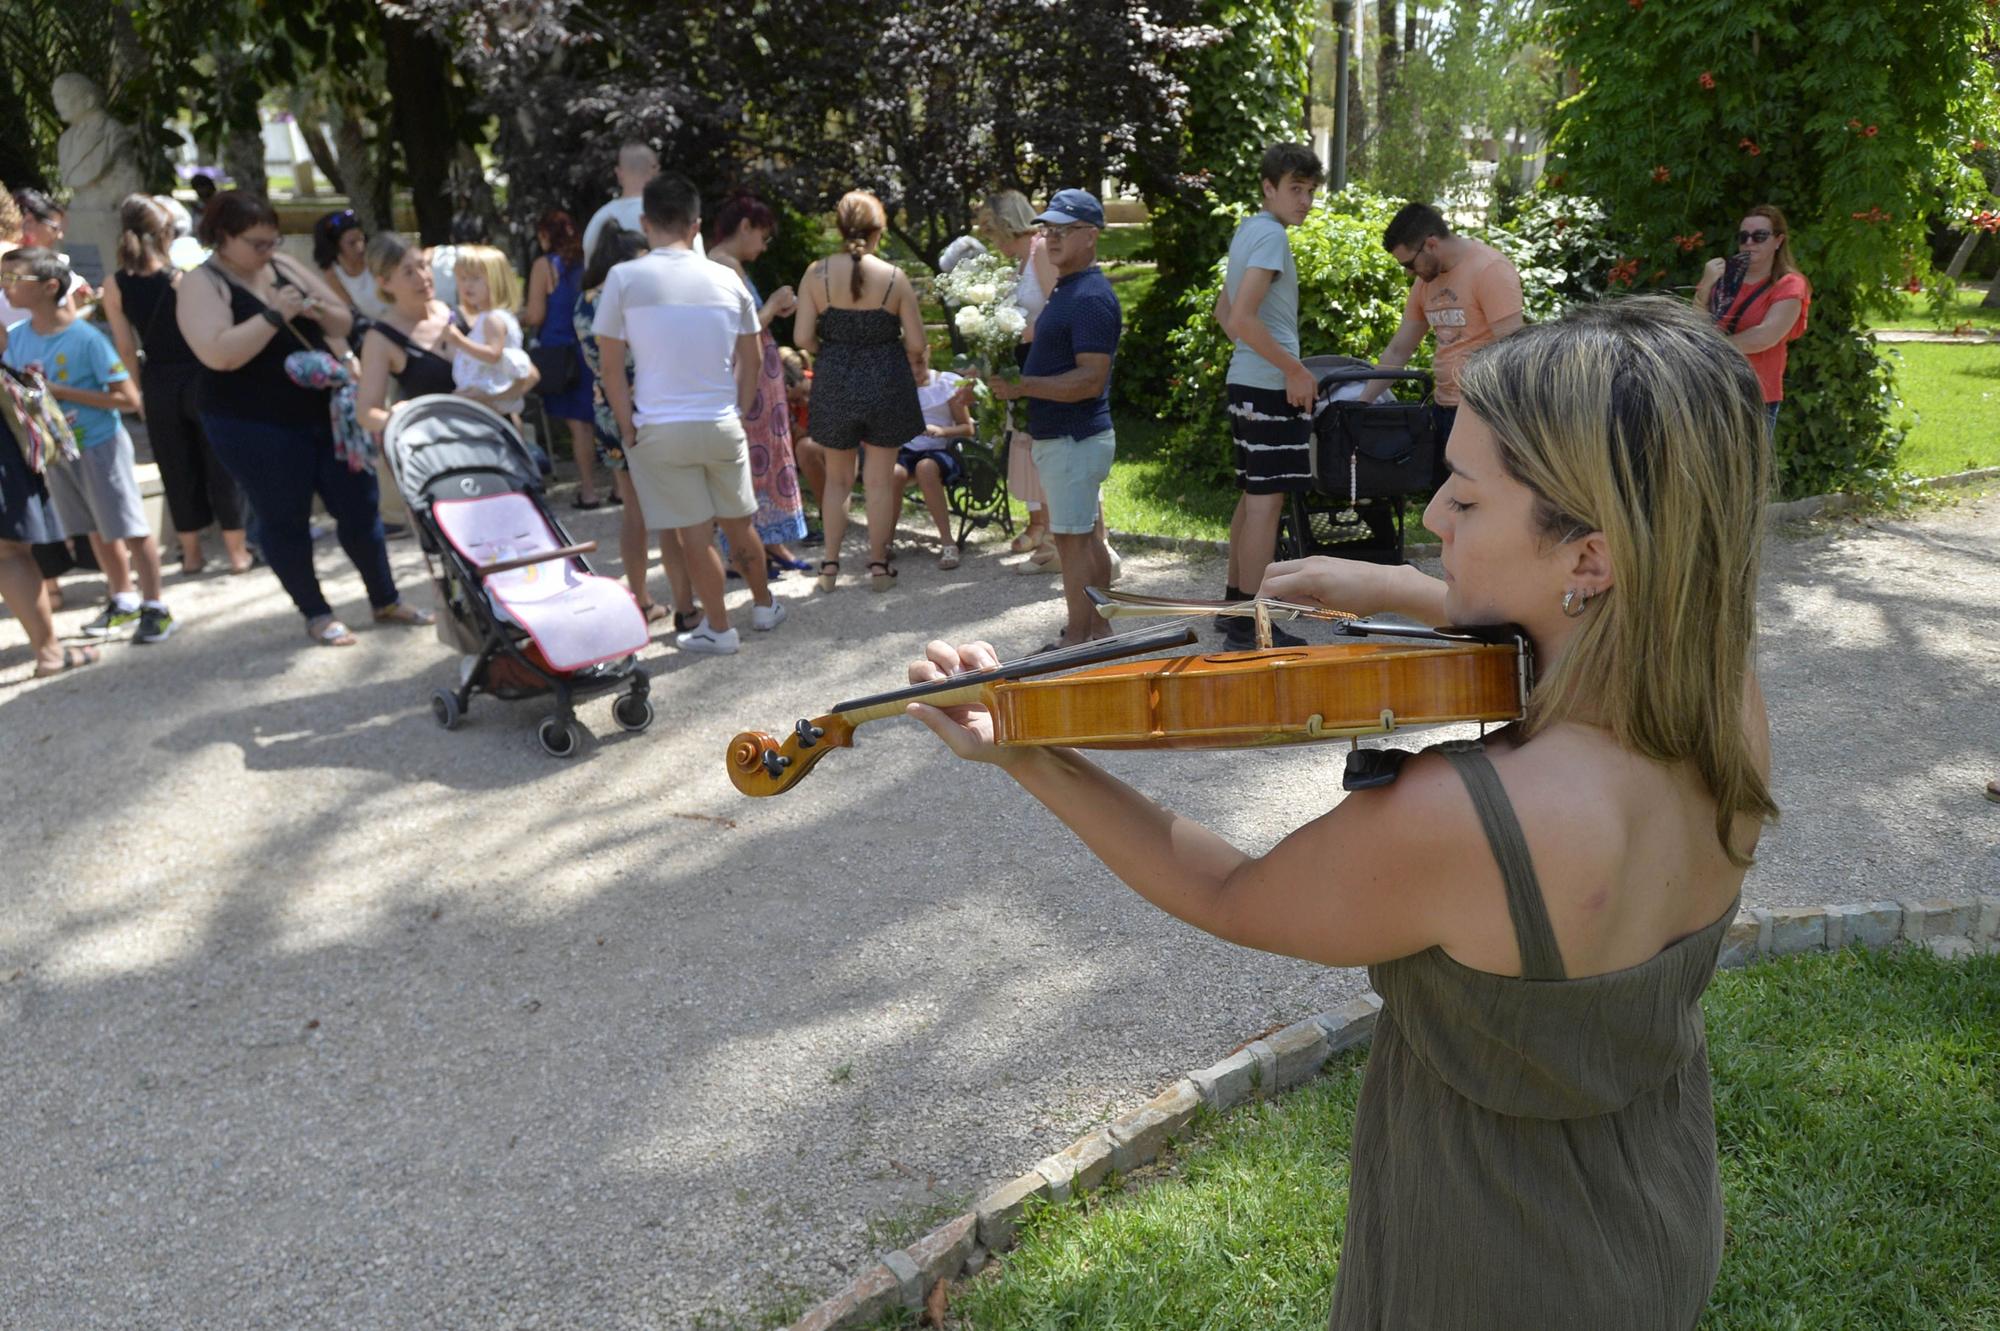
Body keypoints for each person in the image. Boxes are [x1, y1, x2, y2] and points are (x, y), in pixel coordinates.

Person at [910, 296, 1776, 1329]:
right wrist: (1378, 583)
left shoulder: (1469, 818)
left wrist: (1028, 750)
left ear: (1587, 556)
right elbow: (1533, 608)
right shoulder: (1721, 700)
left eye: (1462, 496)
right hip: (1655, 1206)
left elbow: (1227, 890)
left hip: (1486, 1267)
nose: (1433, 519)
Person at [178, 191, 428, 647]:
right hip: (251, 423)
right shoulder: (202, 283)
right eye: (257, 243)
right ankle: (315, 612)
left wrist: (313, 307)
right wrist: (275, 316)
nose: (267, 251)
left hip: (325, 413)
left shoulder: (283, 266)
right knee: (284, 518)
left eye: (272, 241)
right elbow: (218, 354)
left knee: (359, 505)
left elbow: (342, 322)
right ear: (222, 238)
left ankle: (385, 599)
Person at [593, 172, 785, 655]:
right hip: (721, 420)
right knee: (741, 524)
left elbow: (611, 366)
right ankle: (764, 605)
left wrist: (626, 424)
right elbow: (754, 355)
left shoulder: (623, 278)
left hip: (659, 426)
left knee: (694, 534)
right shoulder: (725, 277)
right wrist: (739, 408)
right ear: (697, 223)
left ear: (645, 221)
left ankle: (719, 629)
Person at [4, 244, 173, 642]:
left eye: (14, 279)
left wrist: (60, 391)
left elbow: (129, 399)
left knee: (129, 526)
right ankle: (123, 598)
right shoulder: (15, 339)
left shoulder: (85, 339)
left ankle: (156, 606)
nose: (5, 288)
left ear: (48, 286)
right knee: (94, 528)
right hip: (60, 453)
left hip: (101, 443)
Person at [985, 189, 1120, 648]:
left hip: (1074, 438)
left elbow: (1089, 379)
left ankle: (1078, 637)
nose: (1052, 238)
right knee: (1085, 538)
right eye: (1048, 229)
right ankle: (1098, 628)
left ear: (1090, 236)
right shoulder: (1070, 287)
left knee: (1072, 542)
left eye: (1064, 230)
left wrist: (1024, 386)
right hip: (1070, 438)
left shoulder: (1088, 297)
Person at [99, 194, 252, 576]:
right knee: (219, 464)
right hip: (202, 375)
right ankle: (237, 554)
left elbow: (124, 347)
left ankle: (192, 555)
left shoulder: (114, 284)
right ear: (166, 232)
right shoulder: (183, 276)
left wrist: (137, 395)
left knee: (175, 466)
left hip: (158, 381)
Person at [790, 189, 926, 594]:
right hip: (886, 381)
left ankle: (830, 567)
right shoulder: (894, 278)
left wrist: (832, 351)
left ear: (840, 228)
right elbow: (916, 342)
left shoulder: (816, 274)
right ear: (878, 231)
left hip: (834, 381)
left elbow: (801, 336)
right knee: (880, 481)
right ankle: (879, 566)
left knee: (837, 480)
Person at [1215, 143, 1323, 650]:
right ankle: (1254, 625)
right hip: (1266, 386)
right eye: (1294, 189)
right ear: (1269, 188)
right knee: (1265, 506)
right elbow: (1240, 319)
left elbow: (1224, 312)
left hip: (1247, 382)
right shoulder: (1272, 236)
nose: (1304, 200)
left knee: (1253, 500)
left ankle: (1235, 608)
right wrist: (1294, 370)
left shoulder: (1248, 231)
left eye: (1310, 191)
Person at [576, 222, 695, 632]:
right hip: (644, 408)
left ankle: (641, 599)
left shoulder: (583, 302)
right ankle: (685, 603)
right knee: (670, 510)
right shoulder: (631, 299)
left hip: (605, 410)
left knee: (634, 511)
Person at [1367, 201, 1525, 477]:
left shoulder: (1490, 270)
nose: (1408, 273)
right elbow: (1398, 350)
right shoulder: (1425, 283)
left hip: (1484, 413)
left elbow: (1515, 353)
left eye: (1408, 263)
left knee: (1476, 504)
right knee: (1446, 503)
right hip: (1444, 408)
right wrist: (1362, 402)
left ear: (1430, 244)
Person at [705, 191, 810, 573]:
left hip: (760, 375)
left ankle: (768, 542)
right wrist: (774, 305)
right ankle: (746, 548)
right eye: (763, 236)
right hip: (747, 376)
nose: (764, 247)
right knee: (754, 457)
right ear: (745, 227)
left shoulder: (729, 263)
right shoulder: (721, 263)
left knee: (765, 454)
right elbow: (737, 327)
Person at [977, 190, 1059, 569]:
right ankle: (1046, 529)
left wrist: (1017, 333)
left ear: (1008, 227)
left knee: (1049, 452)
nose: (993, 244)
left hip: (1046, 364)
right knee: (1033, 447)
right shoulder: (1020, 259)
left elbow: (1057, 310)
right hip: (1026, 364)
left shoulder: (1041, 250)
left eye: (993, 234)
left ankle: (1059, 538)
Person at [1693, 203, 1810, 436]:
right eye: (1744, 237)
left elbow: (1765, 336)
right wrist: (1705, 286)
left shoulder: (1790, 284)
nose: (1749, 243)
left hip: (1756, 395)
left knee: (1750, 469)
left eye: (1759, 236)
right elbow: (1696, 326)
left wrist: (1713, 347)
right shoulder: (1722, 277)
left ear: (1778, 241)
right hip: (1714, 388)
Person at [523, 209, 607, 508]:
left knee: (578, 428)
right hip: (593, 348)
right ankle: (622, 488)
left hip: (562, 354)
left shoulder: (545, 266)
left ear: (546, 234)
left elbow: (536, 314)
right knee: (603, 419)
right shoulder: (589, 262)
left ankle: (588, 490)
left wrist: (511, 316)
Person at [891, 343, 974, 569]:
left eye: (920, 363)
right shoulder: (897, 387)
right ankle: (885, 542)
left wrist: (942, 431)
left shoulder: (945, 383)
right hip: (908, 450)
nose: (915, 370)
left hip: (942, 450)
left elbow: (968, 428)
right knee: (893, 473)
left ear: (928, 355)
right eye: (909, 365)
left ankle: (948, 542)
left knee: (926, 468)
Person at [445, 244, 535, 422]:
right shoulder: (491, 317)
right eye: (462, 278)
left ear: (495, 280)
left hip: (489, 405)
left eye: (475, 278)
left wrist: (458, 340)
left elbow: (494, 354)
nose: (467, 285)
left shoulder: (492, 319)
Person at [313, 209, 390, 324]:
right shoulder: (333, 276)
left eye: (361, 240)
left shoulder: (377, 261)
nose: (360, 248)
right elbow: (352, 314)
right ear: (336, 247)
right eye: (352, 243)